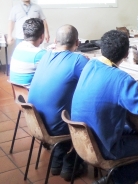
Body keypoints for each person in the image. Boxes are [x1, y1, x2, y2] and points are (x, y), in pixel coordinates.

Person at [71, 30, 138, 184]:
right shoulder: (120, 78)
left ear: (102, 49)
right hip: (104, 145)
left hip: (83, 138)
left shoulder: (90, 65)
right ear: (127, 54)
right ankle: (114, 181)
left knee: (135, 129)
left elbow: (107, 89)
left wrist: (134, 87)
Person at [28, 25, 88, 181]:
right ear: (77, 42)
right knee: (88, 114)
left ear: (55, 41)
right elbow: (95, 82)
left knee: (62, 105)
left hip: (36, 122)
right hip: (56, 127)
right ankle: (70, 165)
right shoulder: (78, 60)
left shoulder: (45, 56)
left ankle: (57, 161)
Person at [9, 18, 46, 85]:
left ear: (24, 34)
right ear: (42, 36)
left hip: (18, 93)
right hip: (30, 93)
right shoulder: (39, 53)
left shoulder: (18, 47)